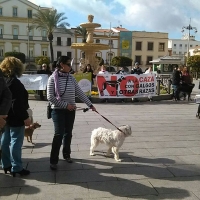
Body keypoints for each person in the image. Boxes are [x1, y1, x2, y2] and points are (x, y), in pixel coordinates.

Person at [47, 56, 96, 170]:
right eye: (69, 64)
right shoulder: (52, 78)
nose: (71, 66)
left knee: (68, 133)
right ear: (62, 65)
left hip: (70, 111)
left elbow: (80, 93)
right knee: (58, 134)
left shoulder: (71, 78)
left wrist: (90, 105)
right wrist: (65, 105)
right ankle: (53, 160)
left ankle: (66, 155)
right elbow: (50, 97)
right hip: (58, 111)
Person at [0, 57, 32, 176]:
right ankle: (17, 167)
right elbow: (17, 103)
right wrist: (25, 117)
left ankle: (6, 164)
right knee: (16, 142)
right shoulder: (15, 83)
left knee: (4, 141)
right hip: (16, 117)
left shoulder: (4, 81)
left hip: (4, 116)